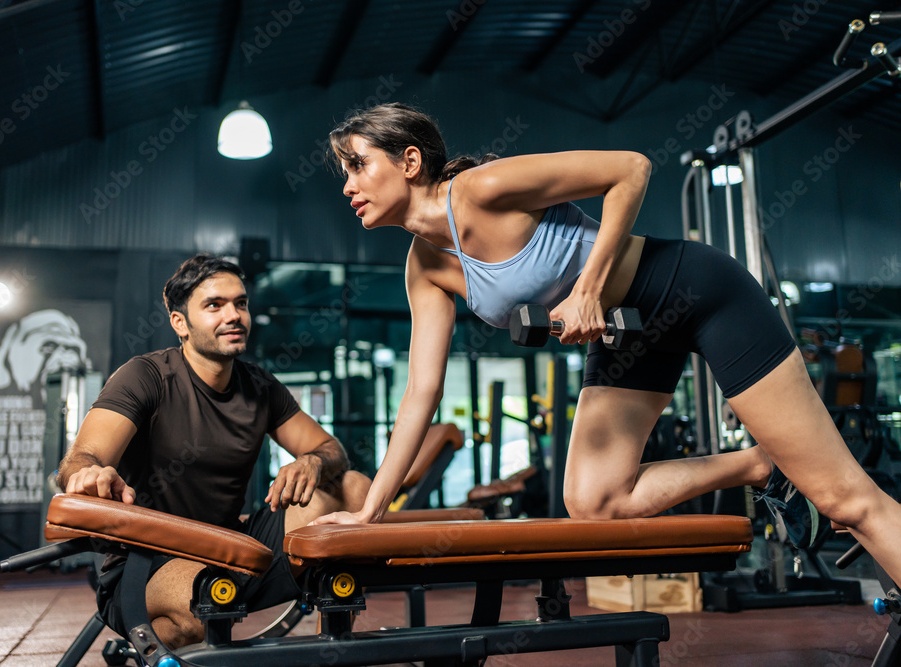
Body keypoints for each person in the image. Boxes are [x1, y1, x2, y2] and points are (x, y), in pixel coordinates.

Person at [311, 102, 901, 588]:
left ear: (410, 161)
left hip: (692, 289)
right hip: (630, 337)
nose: (348, 186)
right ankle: (759, 465)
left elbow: (631, 168)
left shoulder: (483, 189)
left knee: (843, 498)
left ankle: (831, 493)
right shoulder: (425, 265)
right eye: (344, 172)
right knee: (595, 499)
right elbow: (421, 392)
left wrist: (589, 288)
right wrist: (373, 508)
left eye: (357, 166)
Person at [56, 254, 370, 649]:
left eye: (241, 303)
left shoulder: (261, 387)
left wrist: (311, 461)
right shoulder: (146, 376)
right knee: (196, 607)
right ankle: (169, 634)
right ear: (180, 324)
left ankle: (336, 627)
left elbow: (331, 449)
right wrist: (88, 473)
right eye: (214, 305)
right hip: (150, 563)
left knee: (353, 487)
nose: (234, 315)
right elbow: (82, 457)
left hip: (232, 548)